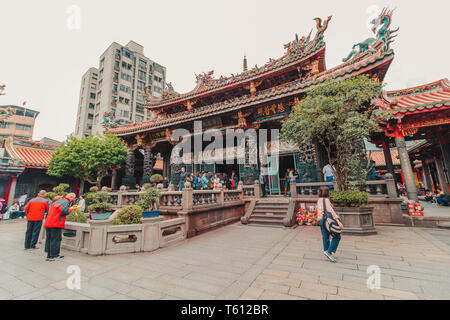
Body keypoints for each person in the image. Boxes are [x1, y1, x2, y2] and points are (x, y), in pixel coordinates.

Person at [43, 193, 76, 261]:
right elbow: (64, 211)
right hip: (56, 223)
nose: (73, 200)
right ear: (71, 197)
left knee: (49, 239)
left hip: (48, 222)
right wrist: (71, 209)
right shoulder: (66, 201)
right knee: (56, 239)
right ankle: (54, 255)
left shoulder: (58, 201)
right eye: (73, 198)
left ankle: (49, 256)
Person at [317, 186, 343, 263]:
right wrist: (338, 221)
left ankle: (327, 251)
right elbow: (331, 211)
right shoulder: (325, 200)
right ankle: (329, 251)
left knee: (325, 236)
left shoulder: (319, 200)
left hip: (321, 220)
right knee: (337, 236)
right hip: (327, 220)